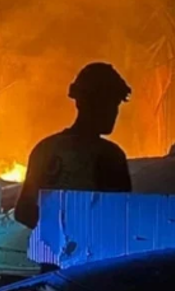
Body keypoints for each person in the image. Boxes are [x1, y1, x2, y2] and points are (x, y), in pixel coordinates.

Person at [16, 62, 133, 231]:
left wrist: (55, 230)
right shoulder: (110, 156)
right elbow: (120, 216)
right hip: (93, 254)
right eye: (110, 104)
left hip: (49, 254)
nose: (114, 113)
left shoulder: (45, 149)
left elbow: (23, 212)